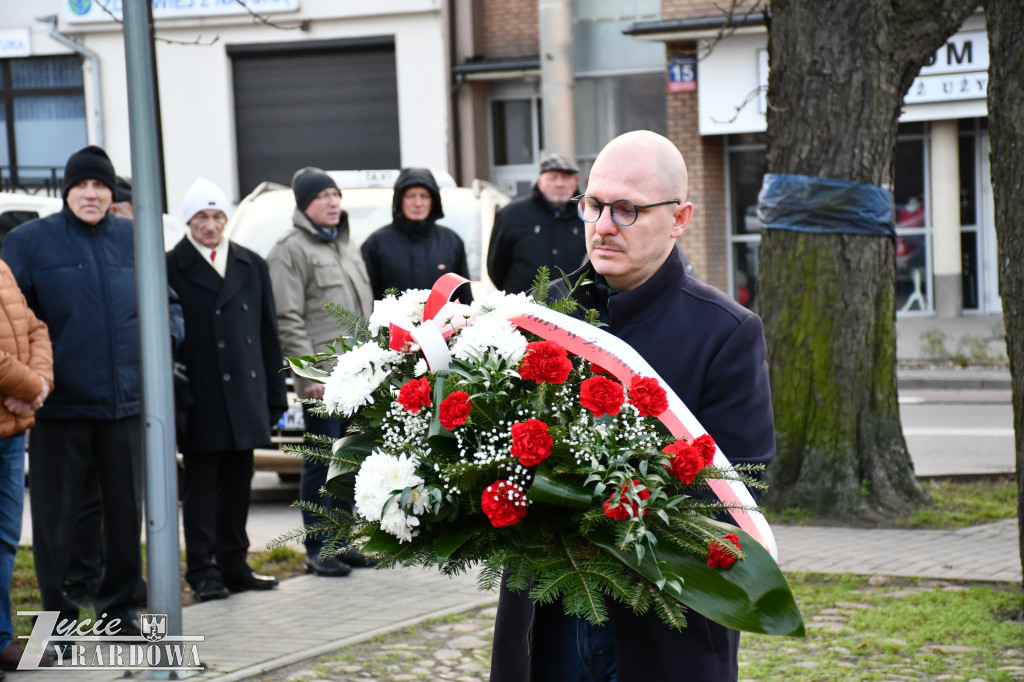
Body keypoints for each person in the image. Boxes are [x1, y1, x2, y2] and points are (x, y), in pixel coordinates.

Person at [489, 131, 776, 682]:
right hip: (547, 620)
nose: (601, 227)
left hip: (664, 628)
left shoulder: (727, 333)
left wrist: (601, 499)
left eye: (627, 210)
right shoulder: (540, 315)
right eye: (594, 205)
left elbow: (738, 489)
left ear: (680, 217)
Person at [1, 145, 146, 637]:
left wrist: (163, 337)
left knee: (126, 514)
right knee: (56, 521)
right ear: (66, 191)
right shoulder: (30, 242)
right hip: (58, 408)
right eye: (82, 185)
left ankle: (120, 609)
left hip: (124, 402)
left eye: (100, 185)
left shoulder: (134, 238)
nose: (91, 193)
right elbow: (14, 324)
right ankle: (56, 621)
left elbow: (165, 303)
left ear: (112, 192)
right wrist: (24, 385)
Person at [166, 177, 288, 600]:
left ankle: (234, 563)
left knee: (240, 483)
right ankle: (202, 571)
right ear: (189, 222)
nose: (211, 225)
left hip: (245, 396)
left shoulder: (251, 264)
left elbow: (268, 335)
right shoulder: (171, 265)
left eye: (218, 216)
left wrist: (275, 396)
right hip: (200, 396)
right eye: (202, 217)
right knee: (200, 489)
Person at [267, 168, 374, 577]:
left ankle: (342, 541)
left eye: (336, 194)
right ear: (304, 204)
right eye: (323, 196)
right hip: (322, 381)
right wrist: (307, 376)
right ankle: (318, 548)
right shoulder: (290, 250)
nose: (333, 202)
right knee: (322, 461)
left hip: (358, 377)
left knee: (348, 459)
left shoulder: (346, 246)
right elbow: (287, 318)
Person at [0, 261, 55, 674]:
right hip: (11, 409)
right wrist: (30, 386)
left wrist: (40, 383)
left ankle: (1, 639)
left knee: (4, 538)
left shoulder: (1, 267)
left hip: (11, 430)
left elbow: (35, 328)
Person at [361, 168, 473, 303]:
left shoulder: (451, 241)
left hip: (444, 324)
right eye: (410, 196)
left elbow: (465, 299)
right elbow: (366, 300)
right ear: (399, 200)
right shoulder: (376, 244)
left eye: (424, 196)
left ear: (433, 201)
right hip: (391, 324)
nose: (418, 203)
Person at [486, 152, 587, 294]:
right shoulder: (511, 214)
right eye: (552, 177)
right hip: (522, 308)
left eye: (566, 177)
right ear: (539, 181)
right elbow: (495, 267)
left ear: (575, 181)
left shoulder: (587, 216)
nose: (559, 184)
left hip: (576, 309)